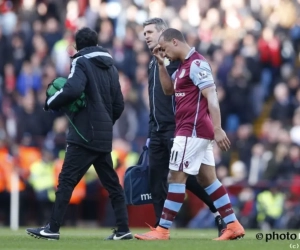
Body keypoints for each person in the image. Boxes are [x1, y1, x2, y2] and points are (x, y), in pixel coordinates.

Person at [135, 28, 245, 241]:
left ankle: (162, 230)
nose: (164, 53)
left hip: (191, 131)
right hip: (193, 131)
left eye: (165, 49)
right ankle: (233, 224)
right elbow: (168, 91)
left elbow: (211, 95)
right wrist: (160, 64)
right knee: (208, 180)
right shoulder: (183, 67)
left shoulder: (197, 64)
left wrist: (218, 127)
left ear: (175, 42)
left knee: (175, 177)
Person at [26, 27, 132, 241]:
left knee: (66, 181)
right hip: (103, 135)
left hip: (83, 135)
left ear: (78, 44)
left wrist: (50, 102)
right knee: (112, 183)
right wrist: (104, 123)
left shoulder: (80, 62)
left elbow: (73, 89)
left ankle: (52, 228)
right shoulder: (111, 67)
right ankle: (123, 229)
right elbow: (119, 104)